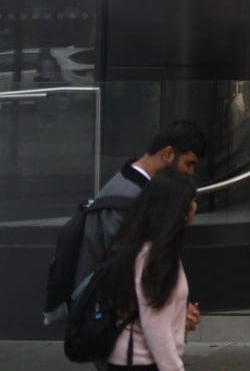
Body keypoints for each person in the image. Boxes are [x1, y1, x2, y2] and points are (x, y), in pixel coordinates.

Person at [74, 120, 208, 313]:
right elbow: (127, 269)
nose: (191, 173)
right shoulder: (128, 197)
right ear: (168, 154)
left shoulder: (134, 188)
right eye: (189, 164)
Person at [101, 169, 200, 371]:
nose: (194, 206)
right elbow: (155, 323)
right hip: (142, 362)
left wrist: (180, 318)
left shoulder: (139, 247)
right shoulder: (154, 256)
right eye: (190, 200)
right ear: (175, 208)